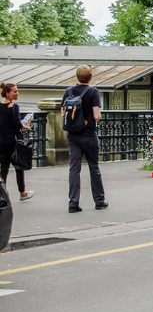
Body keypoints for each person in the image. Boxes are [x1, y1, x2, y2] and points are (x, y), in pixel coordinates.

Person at [62, 65, 107, 213]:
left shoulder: (68, 92)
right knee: (94, 167)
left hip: (72, 135)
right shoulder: (93, 92)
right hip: (88, 134)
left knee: (74, 167)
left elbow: (63, 114)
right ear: (90, 77)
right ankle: (99, 201)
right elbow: (96, 115)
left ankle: (73, 203)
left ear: (77, 76)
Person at [0, 83, 34, 201]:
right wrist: (25, 126)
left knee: (3, 169)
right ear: (7, 93)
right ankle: (22, 193)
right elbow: (17, 124)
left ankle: (2, 194)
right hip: (14, 142)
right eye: (15, 91)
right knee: (19, 167)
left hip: (2, 142)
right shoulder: (14, 107)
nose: (17, 93)